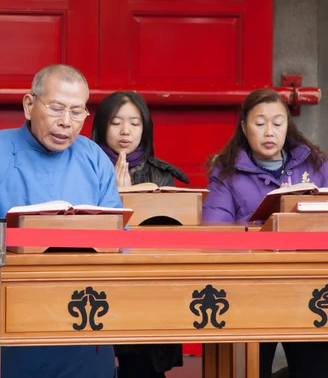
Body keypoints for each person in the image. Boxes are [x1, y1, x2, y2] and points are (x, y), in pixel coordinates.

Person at [0, 64, 122, 378]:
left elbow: (116, 233)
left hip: (84, 309)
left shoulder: (94, 156)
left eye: (76, 112)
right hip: (8, 309)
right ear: (29, 105)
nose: (66, 123)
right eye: (56, 108)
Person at [202, 88, 328, 377]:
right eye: (260, 124)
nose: (269, 131)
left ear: (288, 126)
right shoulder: (226, 172)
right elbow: (214, 230)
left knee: (316, 365)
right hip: (252, 283)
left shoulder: (315, 165)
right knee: (249, 367)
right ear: (245, 128)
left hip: (307, 282)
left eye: (277, 123)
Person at [92, 91, 187, 378]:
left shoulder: (161, 176)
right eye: (116, 122)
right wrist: (114, 195)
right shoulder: (84, 168)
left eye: (134, 123)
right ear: (101, 126)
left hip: (145, 283)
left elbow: (168, 240)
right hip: (99, 280)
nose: (125, 131)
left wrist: (128, 198)